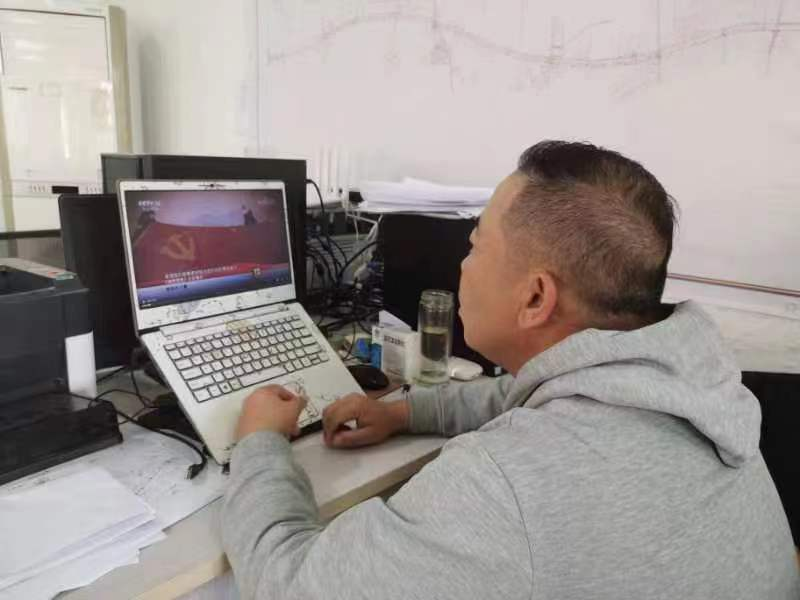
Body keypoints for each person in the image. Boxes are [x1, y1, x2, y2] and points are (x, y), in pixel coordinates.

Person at [222, 141, 800, 599]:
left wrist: (259, 445)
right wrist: (404, 413)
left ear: (535, 298)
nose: (462, 264)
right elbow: (514, 396)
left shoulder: (504, 485)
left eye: (475, 245)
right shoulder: (693, 384)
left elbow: (286, 584)